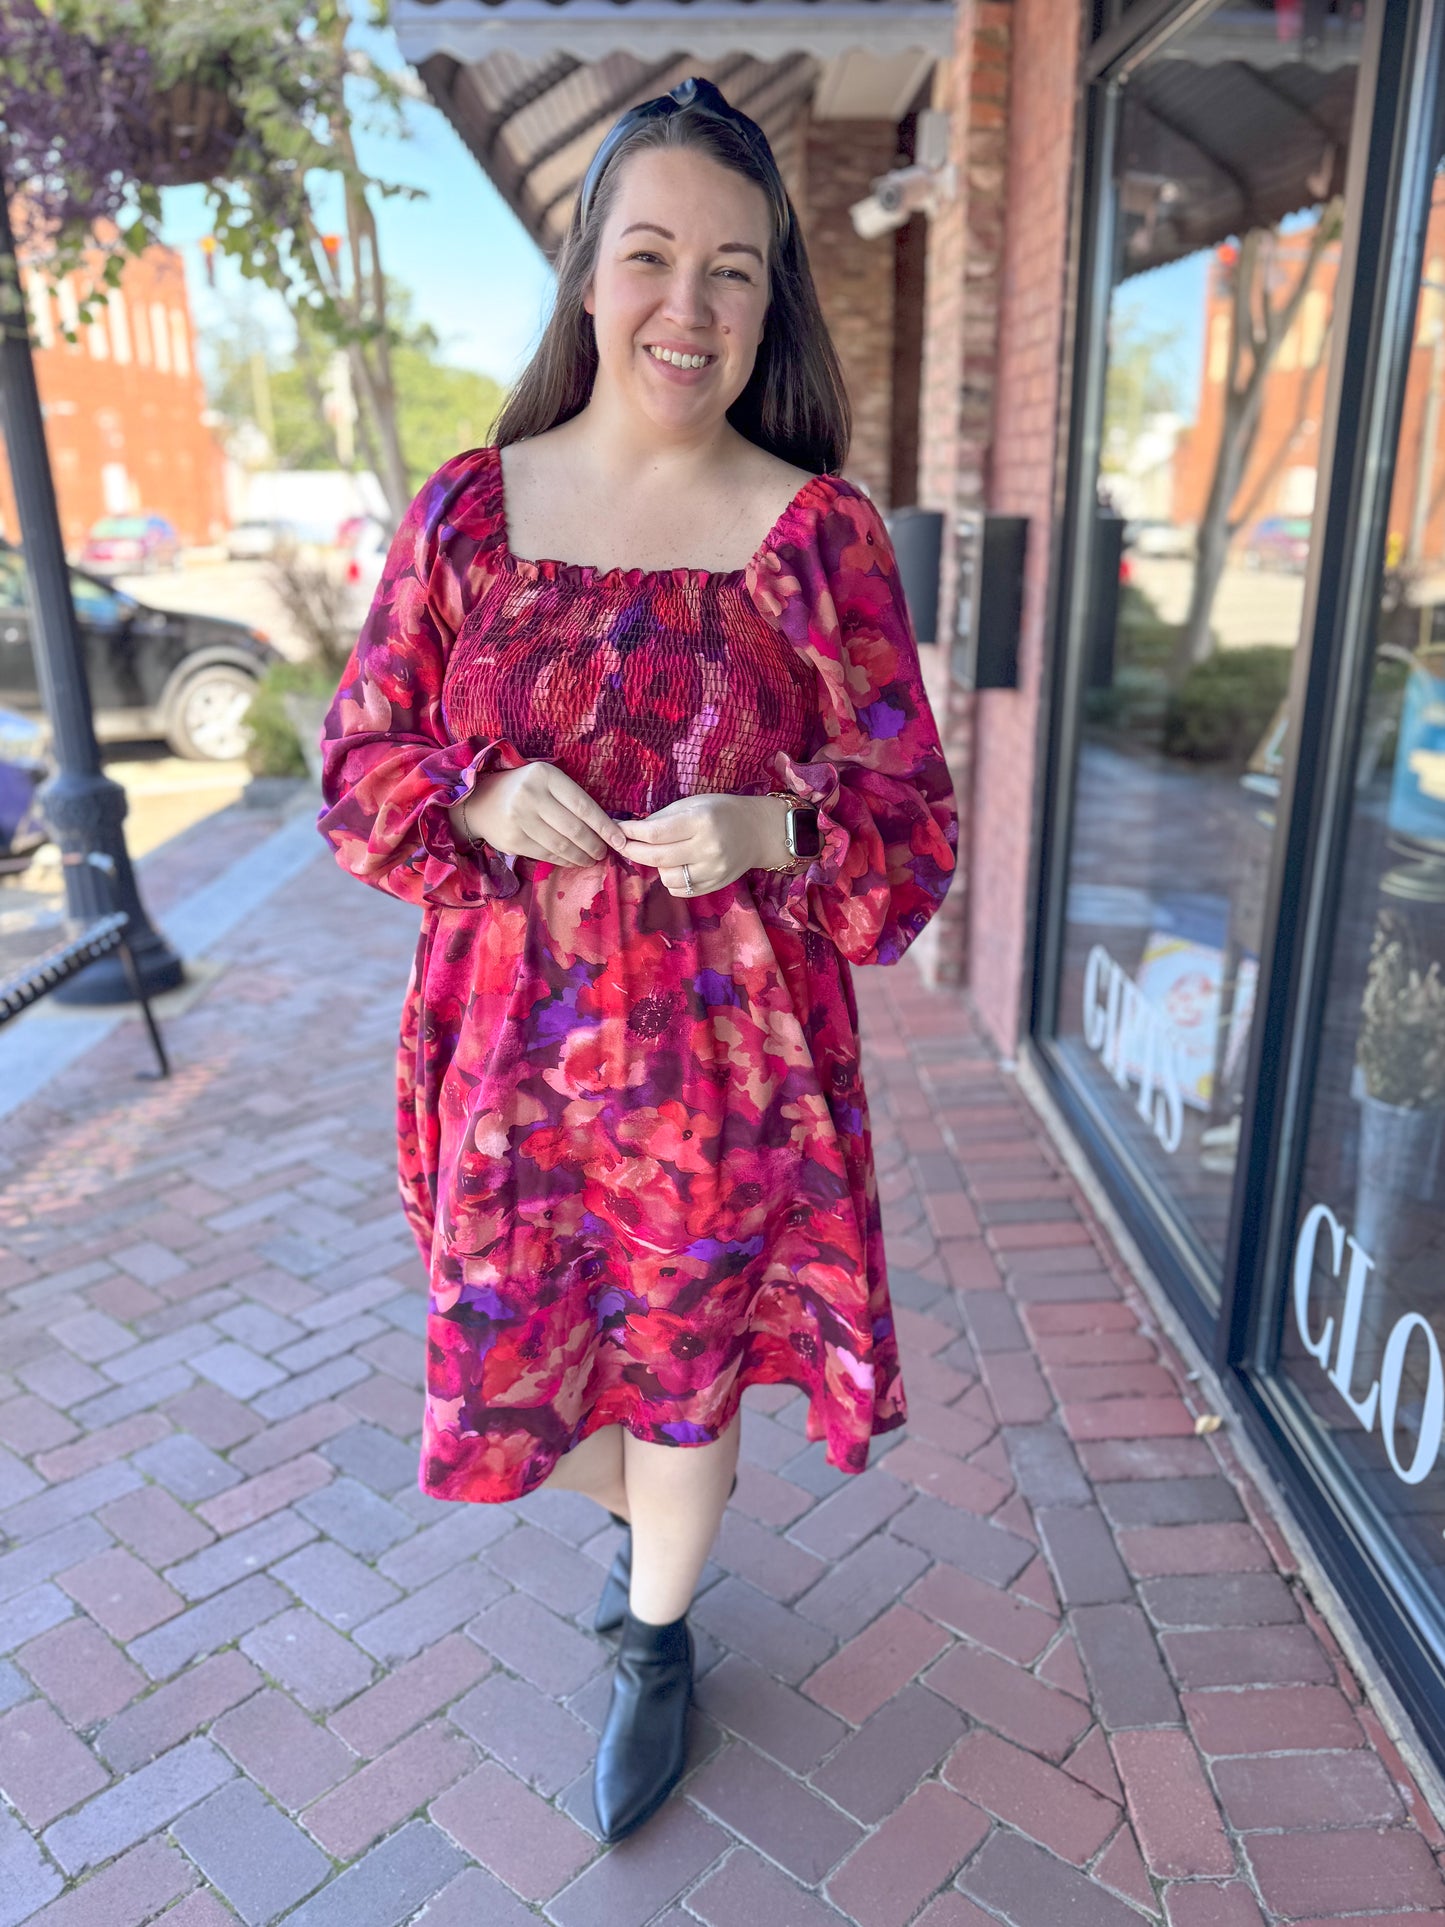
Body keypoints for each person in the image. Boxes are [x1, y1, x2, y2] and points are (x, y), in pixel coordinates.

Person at [317, 75, 958, 1845]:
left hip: (721, 1075)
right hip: (505, 1061)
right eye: (654, 255)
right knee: (514, 1368)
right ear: (588, 277)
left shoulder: (815, 539)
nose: (692, 307)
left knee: (682, 1378)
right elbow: (357, 772)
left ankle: (660, 1633)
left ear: (773, 306)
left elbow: (913, 827)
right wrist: (473, 787)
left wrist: (779, 830)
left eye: (736, 271)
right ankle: (655, 1528)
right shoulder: (466, 510)